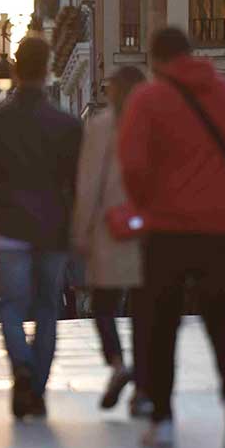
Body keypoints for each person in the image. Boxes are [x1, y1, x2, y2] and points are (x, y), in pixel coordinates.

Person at [117, 27, 225, 448]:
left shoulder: (148, 99)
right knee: (220, 318)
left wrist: (147, 205)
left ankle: (162, 421)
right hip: (220, 229)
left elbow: (133, 166)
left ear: (155, 60)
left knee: (161, 324)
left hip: (166, 230)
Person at [0, 36, 82, 420]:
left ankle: (20, 367)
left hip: (11, 227)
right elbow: (77, 183)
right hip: (53, 229)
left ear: (16, 68)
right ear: (50, 68)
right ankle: (37, 389)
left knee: (13, 306)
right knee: (48, 308)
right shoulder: (66, 125)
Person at [71, 65, 151, 415]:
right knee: (147, 311)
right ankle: (144, 388)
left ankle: (118, 364)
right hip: (152, 229)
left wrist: (80, 232)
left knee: (104, 305)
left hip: (111, 228)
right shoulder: (158, 124)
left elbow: (88, 184)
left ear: (116, 92)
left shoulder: (102, 127)